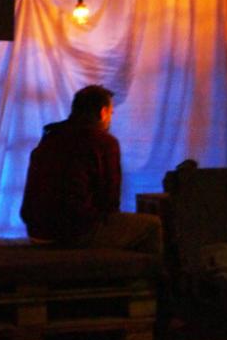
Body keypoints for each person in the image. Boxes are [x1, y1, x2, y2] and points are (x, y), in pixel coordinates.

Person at [20, 85, 162, 255]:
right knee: (153, 226)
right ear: (103, 112)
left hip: (37, 230)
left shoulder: (51, 136)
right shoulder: (103, 142)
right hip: (73, 232)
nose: (110, 119)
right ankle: (137, 272)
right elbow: (110, 200)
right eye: (111, 113)